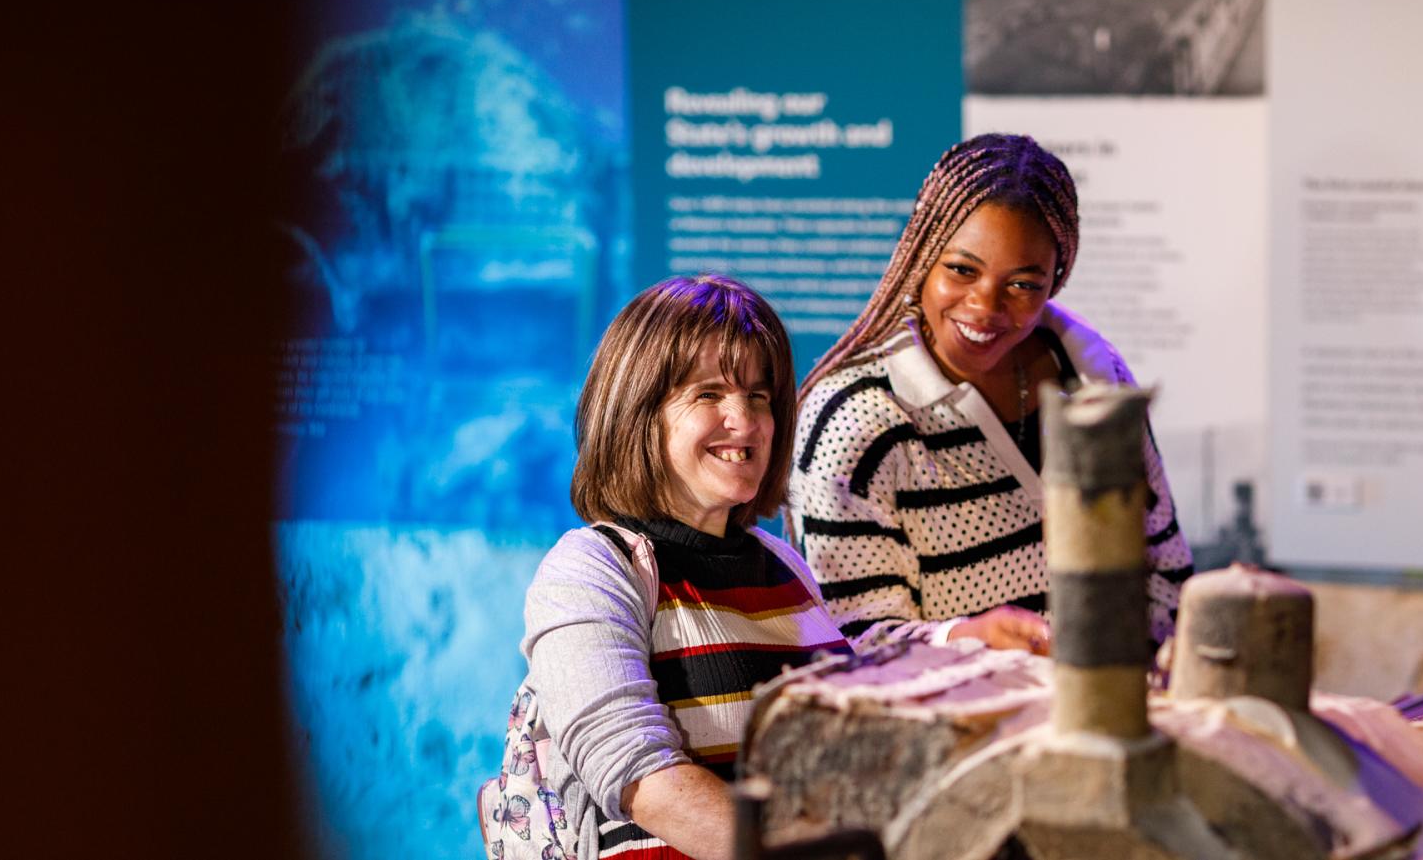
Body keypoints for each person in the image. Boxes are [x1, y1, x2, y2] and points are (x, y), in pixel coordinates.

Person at [487, 275, 848, 860]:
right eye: (709, 394)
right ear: (637, 415)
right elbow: (637, 775)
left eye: (759, 396)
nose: (746, 420)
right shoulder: (592, 569)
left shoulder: (783, 563)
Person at [787, 132, 1192, 653]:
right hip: (956, 729)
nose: (986, 306)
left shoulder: (1097, 378)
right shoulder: (856, 419)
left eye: (1024, 284)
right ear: (921, 256)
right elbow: (851, 639)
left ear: (1057, 278)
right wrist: (965, 637)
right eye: (962, 270)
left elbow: (1165, 567)